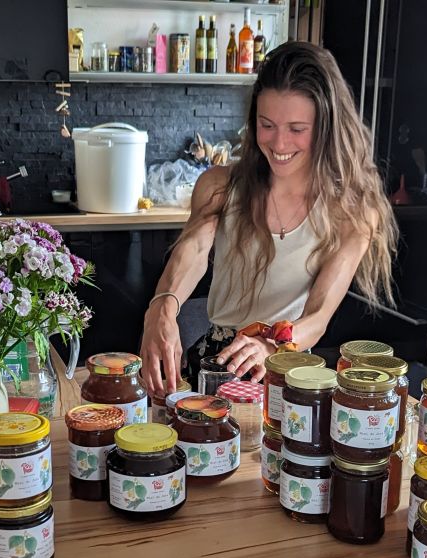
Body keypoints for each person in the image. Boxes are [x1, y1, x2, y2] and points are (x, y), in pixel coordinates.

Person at [139, 41, 397, 395]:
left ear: (326, 128)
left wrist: (275, 347)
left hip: (287, 370)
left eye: (296, 128)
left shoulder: (351, 212)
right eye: (267, 124)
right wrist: (163, 306)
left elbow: (318, 317)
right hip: (214, 363)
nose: (278, 143)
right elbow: (195, 249)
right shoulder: (220, 186)